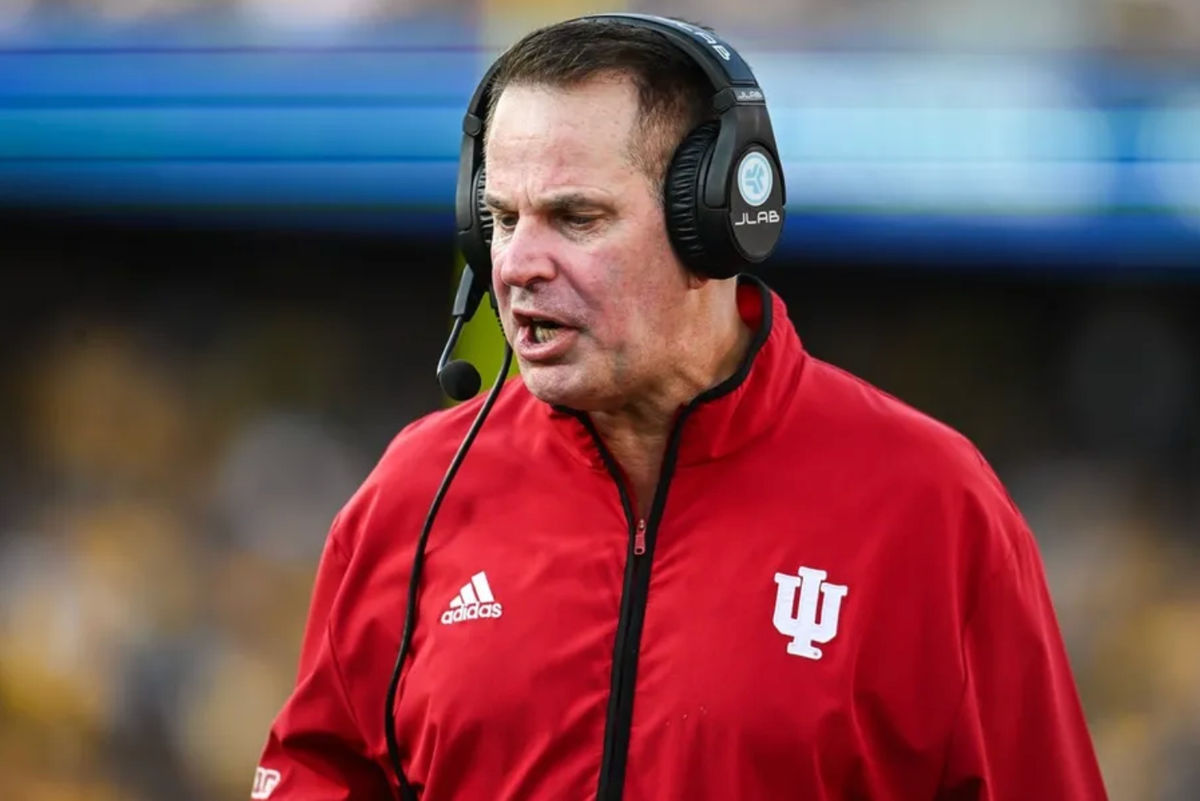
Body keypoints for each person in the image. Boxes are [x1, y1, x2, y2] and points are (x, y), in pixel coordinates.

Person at [251, 14, 1108, 801]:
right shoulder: (415, 492)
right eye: (502, 219)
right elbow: (317, 772)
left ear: (716, 225)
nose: (517, 263)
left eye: (575, 217)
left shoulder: (932, 506)